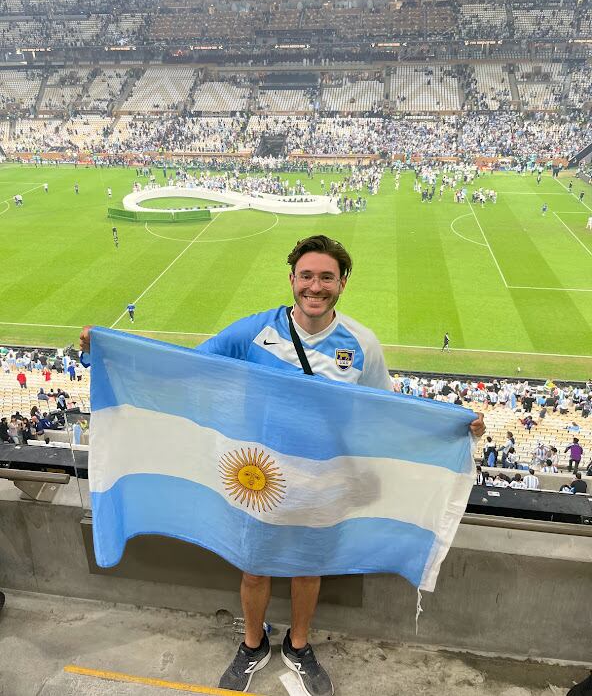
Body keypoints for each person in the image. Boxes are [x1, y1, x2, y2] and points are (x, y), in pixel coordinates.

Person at [79, 234, 486, 696]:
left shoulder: (362, 345)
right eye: (307, 276)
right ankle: (254, 645)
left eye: (326, 277)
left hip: (322, 479)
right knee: (254, 568)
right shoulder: (254, 330)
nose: (316, 286)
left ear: (342, 283)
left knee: (307, 569)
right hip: (258, 478)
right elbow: (185, 366)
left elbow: (384, 412)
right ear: (292, 279)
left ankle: (298, 645)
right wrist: (109, 348)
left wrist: (455, 427)